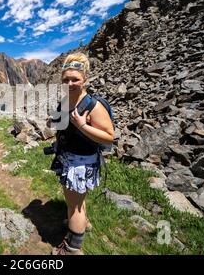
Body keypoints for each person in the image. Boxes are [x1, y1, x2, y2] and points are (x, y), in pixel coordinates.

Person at [50, 53, 114, 255]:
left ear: (85, 78)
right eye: (66, 79)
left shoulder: (93, 105)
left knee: (73, 206)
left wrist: (82, 125)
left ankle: (72, 248)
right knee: (75, 201)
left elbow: (108, 137)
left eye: (75, 79)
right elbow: (62, 126)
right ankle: (81, 223)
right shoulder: (66, 101)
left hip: (80, 163)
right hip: (69, 158)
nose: (70, 83)